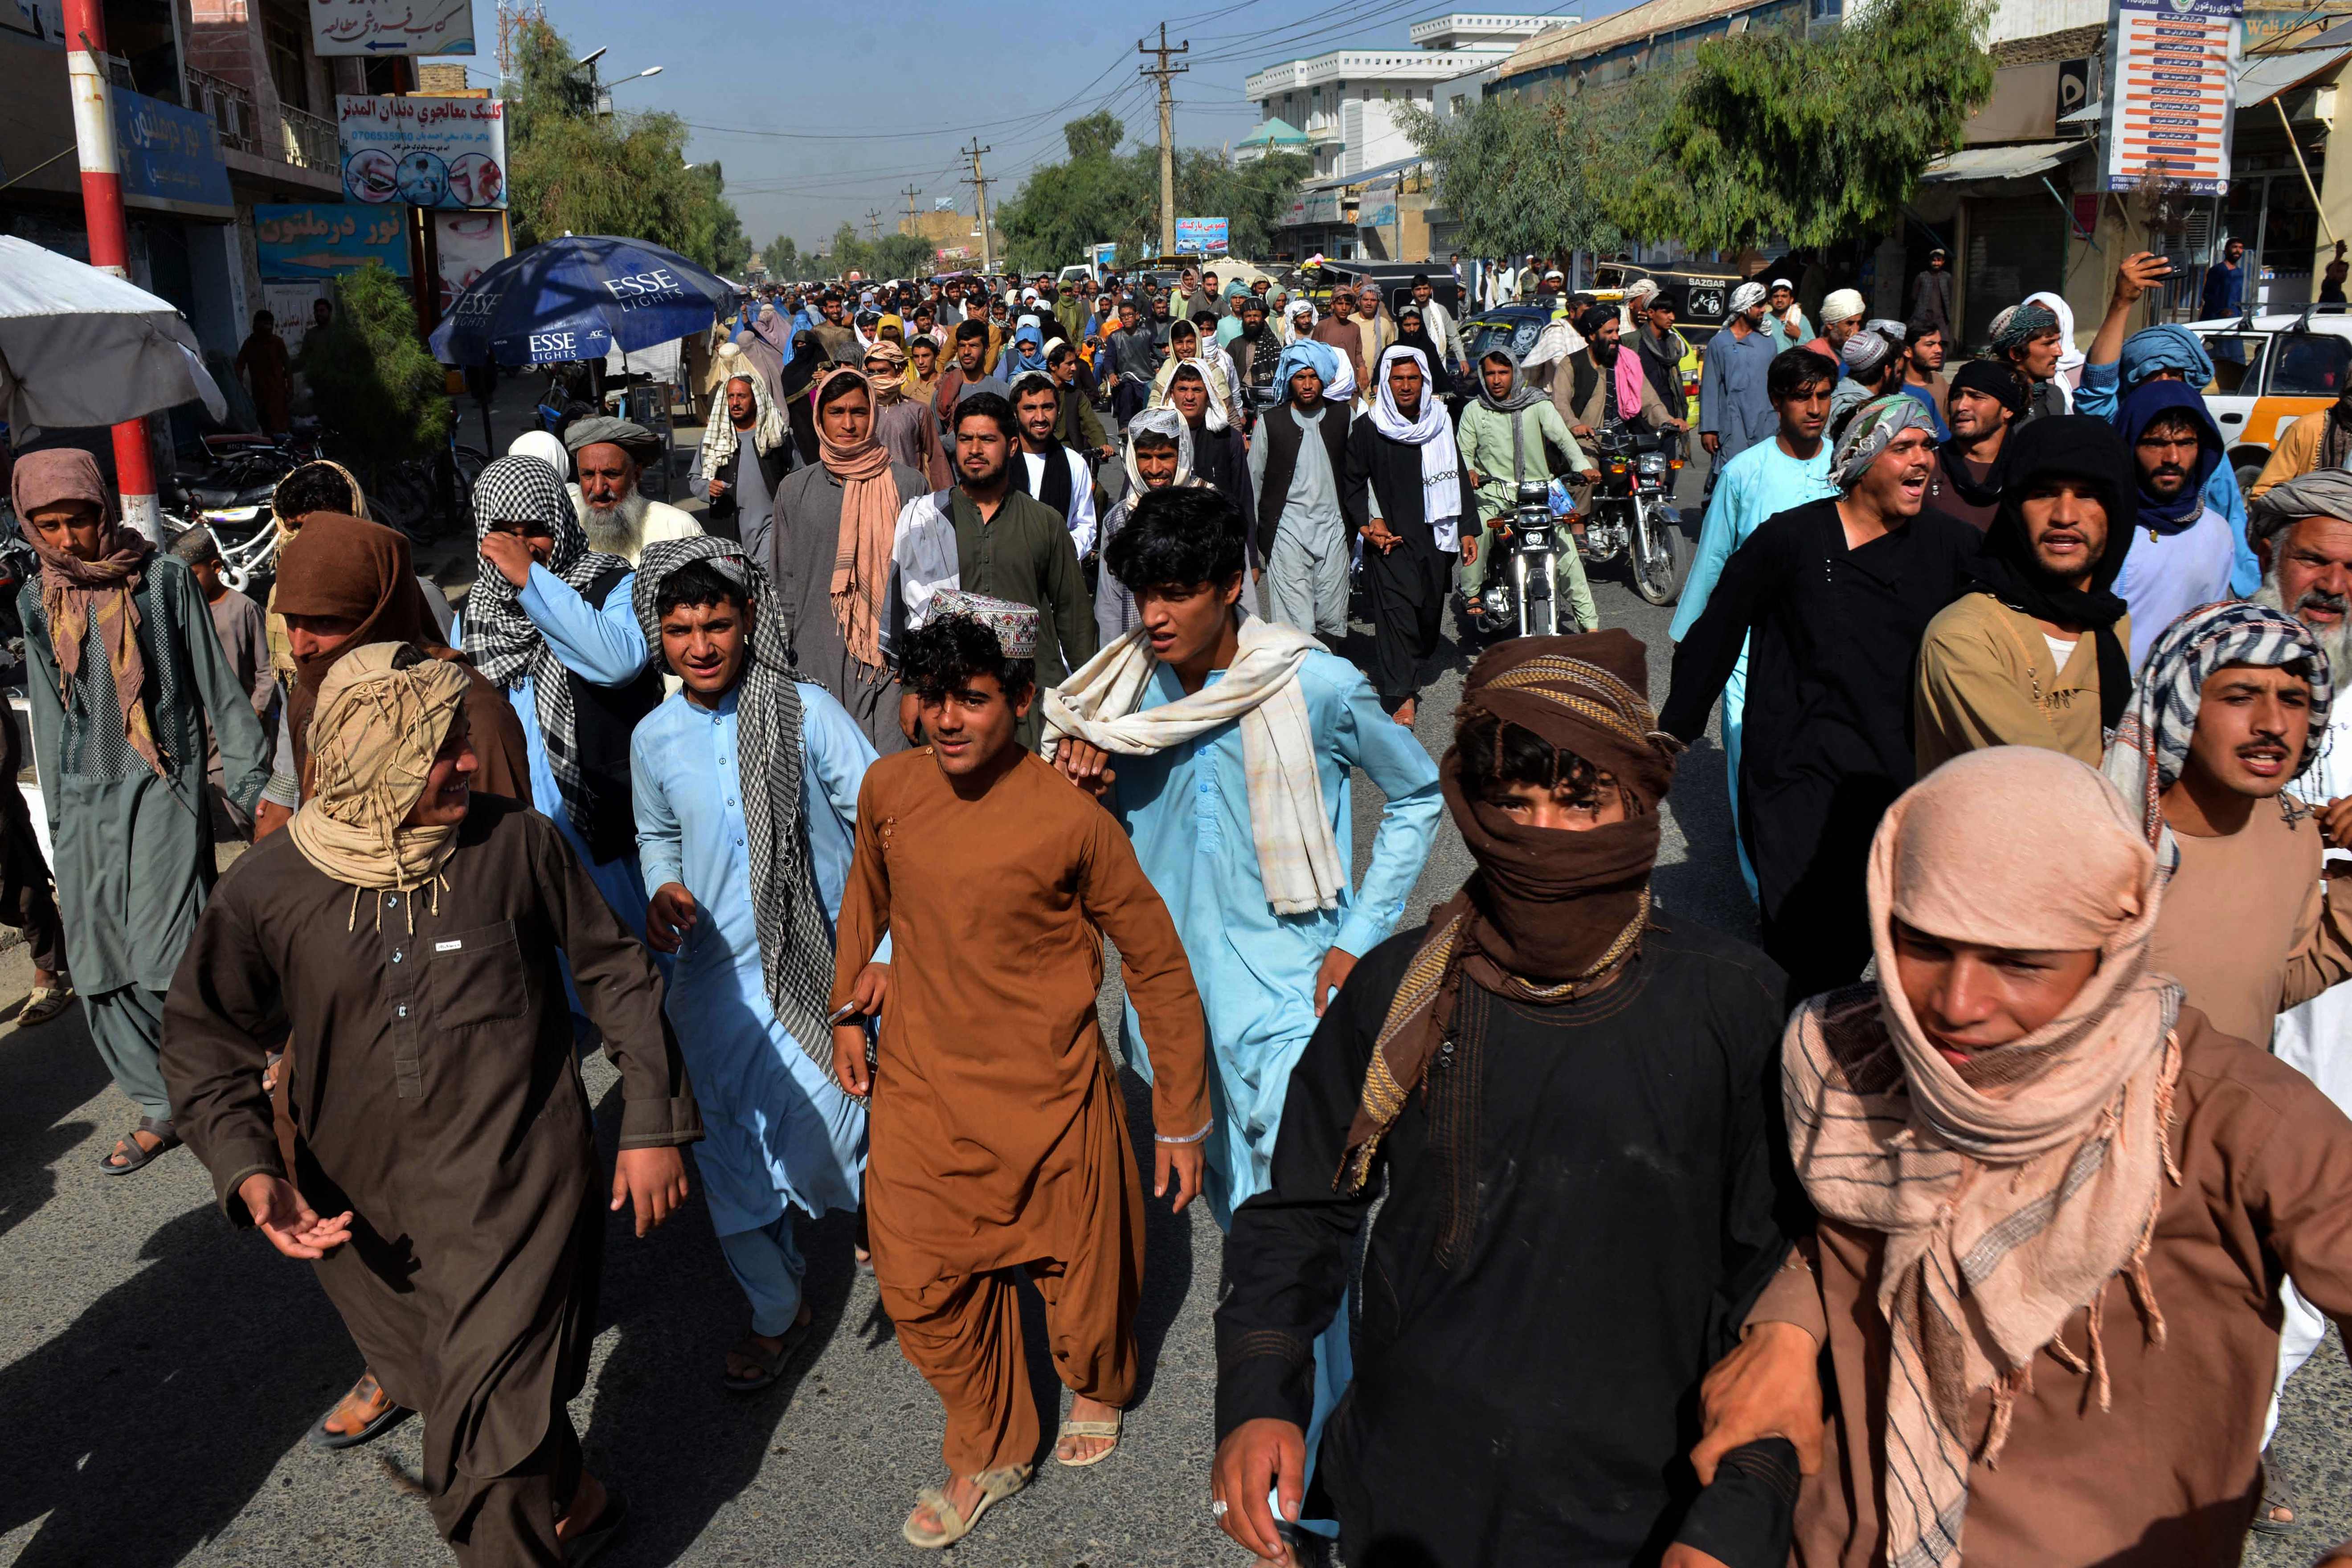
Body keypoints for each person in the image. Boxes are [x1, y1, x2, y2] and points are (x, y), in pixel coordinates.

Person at [1211, 632, 1823, 1568]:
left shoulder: (1736, 1007)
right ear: (1472, 805)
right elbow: (1299, 1208)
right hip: (1415, 1501)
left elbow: (1781, 1292)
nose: (1543, 836)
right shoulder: (1398, 993)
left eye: (1581, 802)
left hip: (1646, 1515)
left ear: (1641, 801)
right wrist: (1258, 1389)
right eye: (1513, 802)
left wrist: (1738, 1514)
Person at [1728, 740, 2352, 1568]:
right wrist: (1784, 1327)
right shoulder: (1849, 1059)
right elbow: (1840, 1240)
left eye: (2018, 962)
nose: (1955, 1004)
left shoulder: (2229, 1119)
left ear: (2113, 942)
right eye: (1921, 943)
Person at [163, 641, 699, 1568]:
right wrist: (249, 1168)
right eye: (437, 750)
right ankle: (580, 1498)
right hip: (362, 1213)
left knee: (481, 1458)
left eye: (461, 743)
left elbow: (614, 973)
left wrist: (650, 1120)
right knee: (459, 1388)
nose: (465, 763)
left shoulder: (516, 844)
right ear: (369, 754)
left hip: (519, 1186)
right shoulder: (268, 887)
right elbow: (205, 1036)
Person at [1044, 485, 1442, 1558]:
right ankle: (1306, 1429)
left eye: (1180, 591)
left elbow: (1416, 795)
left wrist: (1358, 937)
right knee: (1239, 1220)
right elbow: (1075, 845)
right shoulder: (1110, 703)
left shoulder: (1310, 681)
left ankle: (1320, 1472)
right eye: (1142, 593)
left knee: (1293, 1226)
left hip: (1288, 1004)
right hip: (1170, 1017)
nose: (1157, 614)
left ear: (1233, 588)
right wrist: (1079, 776)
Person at [829, 595, 1210, 1549]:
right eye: (931, 698)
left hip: (1049, 1092)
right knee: (916, 1279)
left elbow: (1155, 959)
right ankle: (990, 1440)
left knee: (1078, 1291)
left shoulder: (1068, 818)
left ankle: (1092, 1378)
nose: (947, 719)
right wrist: (846, 1003)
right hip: (921, 1086)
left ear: (1024, 701)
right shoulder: (887, 791)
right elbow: (864, 903)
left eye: (971, 698)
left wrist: (1177, 1115)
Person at [630, 539, 872, 1391]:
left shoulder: (806, 712)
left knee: (839, 1141)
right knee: (731, 1158)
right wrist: (662, 887)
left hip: (818, 970)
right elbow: (656, 835)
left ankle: (890, 1227)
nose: (700, 645)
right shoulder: (653, 736)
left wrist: (880, 950)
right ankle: (778, 1311)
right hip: (713, 981)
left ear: (748, 623)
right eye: (681, 627)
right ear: (658, 634)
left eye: (718, 624)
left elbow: (879, 818)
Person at [1661, 397, 1980, 1001]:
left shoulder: (1950, 546)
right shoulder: (1790, 539)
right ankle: (1790, 1068)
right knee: (1803, 950)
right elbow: (1718, 628)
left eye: (1927, 447)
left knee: (1872, 937)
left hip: (1893, 778)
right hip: (1795, 777)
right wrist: (1674, 728)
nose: (1923, 460)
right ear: (1861, 457)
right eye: (1903, 446)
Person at [10, 449, 269, 1175]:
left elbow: (218, 691)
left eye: (80, 519)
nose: (67, 539)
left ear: (102, 509)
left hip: (164, 783)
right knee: (96, 969)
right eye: (48, 525)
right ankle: (167, 1101)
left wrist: (250, 788)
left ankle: (225, 1080)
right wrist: (58, 823)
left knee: (165, 957)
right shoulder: (39, 600)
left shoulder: (160, 583)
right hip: (84, 795)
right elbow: (53, 723)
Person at [2107, 599, 2352, 1053]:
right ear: (2180, 707)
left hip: (2224, 1116)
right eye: (2239, 697)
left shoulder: (2292, 832)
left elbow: (2269, 988)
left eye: (2293, 700)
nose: (2272, 725)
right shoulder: (2106, 836)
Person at [458, 456, 664, 942]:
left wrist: (531, 580)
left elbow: (617, 663)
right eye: (502, 532)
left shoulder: (612, 585)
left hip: (597, 828)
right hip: (510, 827)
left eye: (536, 529)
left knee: (628, 967)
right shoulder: (473, 617)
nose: (521, 544)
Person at [1671, 347, 1841, 899]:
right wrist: (1690, 650)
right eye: (1801, 397)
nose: (1814, 408)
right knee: (1749, 763)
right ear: (1776, 402)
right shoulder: (1744, 473)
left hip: (1823, 646)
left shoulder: (1847, 468)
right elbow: (1713, 560)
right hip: (1751, 648)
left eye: (1822, 395)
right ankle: (1763, 892)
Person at [1913, 416, 2136, 772]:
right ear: (2016, 508)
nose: (2064, 515)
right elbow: (2050, 783)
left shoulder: (2110, 621)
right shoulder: (1965, 638)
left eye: (2088, 495)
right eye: (2044, 493)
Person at [887, 392, 1098, 753]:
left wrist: (1089, 710)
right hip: (949, 695)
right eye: (966, 439)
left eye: (987, 440)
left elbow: (1074, 621)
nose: (974, 450)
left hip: (1029, 699)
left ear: (1012, 446)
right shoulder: (929, 519)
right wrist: (912, 689)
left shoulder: (1045, 523)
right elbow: (910, 615)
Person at [767, 368, 925, 756]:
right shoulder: (795, 489)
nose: (849, 424)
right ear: (819, 418)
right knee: (827, 778)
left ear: (872, 415)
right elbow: (783, 582)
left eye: (858, 412)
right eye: (837, 412)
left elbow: (925, 587)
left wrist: (920, 673)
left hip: (890, 663)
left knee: (890, 776)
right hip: (815, 658)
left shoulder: (908, 485)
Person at [2079, 256, 2260, 595]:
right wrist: (2121, 304)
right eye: (2153, 375)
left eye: (2174, 375)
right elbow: (2096, 388)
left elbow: (2233, 520)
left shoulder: (2205, 448)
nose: (2172, 456)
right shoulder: (2117, 430)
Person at [1350, 345, 1476, 727]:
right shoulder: (1368, 427)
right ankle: (1401, 693)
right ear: (1386, 382)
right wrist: (1366, 525)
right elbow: (1353, 482)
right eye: (1398, 378)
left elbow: (1456, 472)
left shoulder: (1439, 420)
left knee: (1426, 613)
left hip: (1435, 537)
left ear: (1424, 381)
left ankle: (1409, 663)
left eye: (1413, 378)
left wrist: (1467, 528)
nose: (1406, 386)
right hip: (1389, 541)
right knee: (1396, 615)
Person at [1456, 342, 1599, 634]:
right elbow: (1463, 453)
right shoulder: (1474, 410)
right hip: (1493, 492)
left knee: (1568, 554)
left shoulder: (1537, 404)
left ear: (1515, 372)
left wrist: (1581, 465)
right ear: (1483, 376)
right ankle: (1470, 590)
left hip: (1540, 492)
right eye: (1490, 373)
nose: (1497, 379)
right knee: (1479, 527)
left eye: (1503, 372)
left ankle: (1591, 628)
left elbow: (1563, 439)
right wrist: (1469, 470)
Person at [2112, 380, 2237, 668]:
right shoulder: (2101, 524)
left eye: (2185, 443)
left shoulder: (2216, 533)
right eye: (2155, 444)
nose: (2172, 458)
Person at [168, 525, 276, 841]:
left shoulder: (242, 609)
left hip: (239, 726)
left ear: (216, 568)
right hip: (201, 727)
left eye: (193, 575)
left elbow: (266, 671)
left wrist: (254, 713)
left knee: (246, 796)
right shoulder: (181, 613)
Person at [1097, 409, 1204, 644]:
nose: (1155, 470)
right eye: (1145, 457)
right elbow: (1110, 606)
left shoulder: (1210, 511)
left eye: (1165, 456)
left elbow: (1239, 598)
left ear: (1183, 454)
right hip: (1140, 651)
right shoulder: (1119, 520)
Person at [563, 416, 703, 565]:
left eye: (611, 474)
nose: (598, 490)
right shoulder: (565, 530)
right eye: (588, 475)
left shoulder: (677, 528)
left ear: (636, 475)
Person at [691, 371, 794, 556]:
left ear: (756, 400)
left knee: (768, 578)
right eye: (731, 396)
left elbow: (799, 473)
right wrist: (709, 489)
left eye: (742, 396)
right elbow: (695, 478)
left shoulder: (775, 436)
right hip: (729, 533)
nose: (735, 403)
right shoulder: (715, 440)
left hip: (772, 529)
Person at [1007, 371, 1099, 569]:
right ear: (1016, 414)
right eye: (1030, 408)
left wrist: (1061, 553)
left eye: (1047, 407)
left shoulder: (1074, 463)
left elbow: (1086, 524)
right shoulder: (1001, 462)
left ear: (1058, 411)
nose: (1040, 417)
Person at [1923, 360, 2024, 532]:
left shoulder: (2027, 471)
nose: (1961, 406)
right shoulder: (1926, 465)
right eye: (1957, 396)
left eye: (1976, 397)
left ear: (2007, 410)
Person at [1702, 283, 1781, 470]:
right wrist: (1709, 429)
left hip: (1765, 422)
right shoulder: (1720, 343)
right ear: (1745, 307)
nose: (1764, 310)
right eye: (1759, 305)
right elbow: (1710, 388)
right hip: (1732, 422)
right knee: (1732, 472)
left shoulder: (1768, 342)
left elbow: (1776, 385)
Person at [863, 341, 953, 491]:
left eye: (883, 371)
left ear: (899, 371)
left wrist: (944, 498)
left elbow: (936, 459)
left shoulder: (918, 411)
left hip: (909, 494)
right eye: (872, 373)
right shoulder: (862, 412)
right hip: (872, 493)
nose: (877, 378)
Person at [1986, 301, 2070, 421]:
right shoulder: (1993, 401)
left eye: (2057, 342)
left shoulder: (2054, 396)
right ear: (2017, 353)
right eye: (2048, 343)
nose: (2059, 352)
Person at [1045, 340, 1111, 462]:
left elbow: (1091, 422)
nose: (1074, 368)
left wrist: (1102, 444)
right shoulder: (1039, 393)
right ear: (1053, 366)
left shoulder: (1076, 395)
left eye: (1074, 363)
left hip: (1071, 455)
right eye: (1069, 364)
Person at [235, 308, 292, 434]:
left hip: (278, 393)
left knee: (280, 429)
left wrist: (290, 388)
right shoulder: (250, 344)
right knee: (265, 428)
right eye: (264, 324)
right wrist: (240, 388)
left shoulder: (277, 343)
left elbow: (288, 366)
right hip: (260, 395)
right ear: (256, 325)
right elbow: (239, 365)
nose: (267, 328)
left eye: (269, 325)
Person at [1309, 290, 1368, 396]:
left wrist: (1363, 368)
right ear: (1333, 305)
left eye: (1348, 304)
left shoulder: (1355, 328)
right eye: (1340, 304)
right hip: (1329, 384)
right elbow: (1314, 355)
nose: (1344, 308)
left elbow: (1358, 354)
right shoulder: (1322, 326)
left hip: (1350, 384)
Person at [1900, 319, 1949, 436]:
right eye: (1930, 345)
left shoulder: (1940, 382)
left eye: (1940, 344)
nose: (1939, 350)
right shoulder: (1896, 387)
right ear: (1908, 351)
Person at [1408, 271, 1461, 377]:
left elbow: (1454, 336)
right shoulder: (1407, 314)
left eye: (1425, 289)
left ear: (1431, 290)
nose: (1422, 293)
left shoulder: (1440, 310)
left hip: (1438, 367)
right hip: (1414, 368)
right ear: (1413, 292)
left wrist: (1462, 359)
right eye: (1418, 289)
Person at [1805, 289, 1866, 366]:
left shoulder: (1849, 351)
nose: (1856, 330)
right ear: (1830, 324)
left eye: (1859, 323)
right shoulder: (1812, 354)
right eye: (1850, 323)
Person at [1908, 248, 1954, 341]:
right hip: (1924, 316)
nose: (1936, 263)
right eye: (1934, 260)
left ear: (1943, 262)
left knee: (1943, 341)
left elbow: (1950, 296)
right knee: (1924, 340)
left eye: (1939, 261)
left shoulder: (1947, 277)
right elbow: (1914, 297)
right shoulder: (1922, 276)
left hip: (1941, 318)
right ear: (1930, 262)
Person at [1759, 278, 1814, 352]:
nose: (1780, 300)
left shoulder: (1801, 319)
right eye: (1776, 296)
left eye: (1784, 296)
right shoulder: (1762, 319)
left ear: (1791, 300)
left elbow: (1814, 347)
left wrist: (1799, 335)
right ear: (1770, 300)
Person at [2203, 233, 2249, 320]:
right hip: (2215, 316)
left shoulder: (2240, 273)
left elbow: (2237, 296)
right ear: (2226, 250)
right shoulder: (2217, 270)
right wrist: (2221, 310)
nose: (2238, 250)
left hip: (2234, 315)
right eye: (2235, 247)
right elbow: (2208, 295)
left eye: (2241, 248)